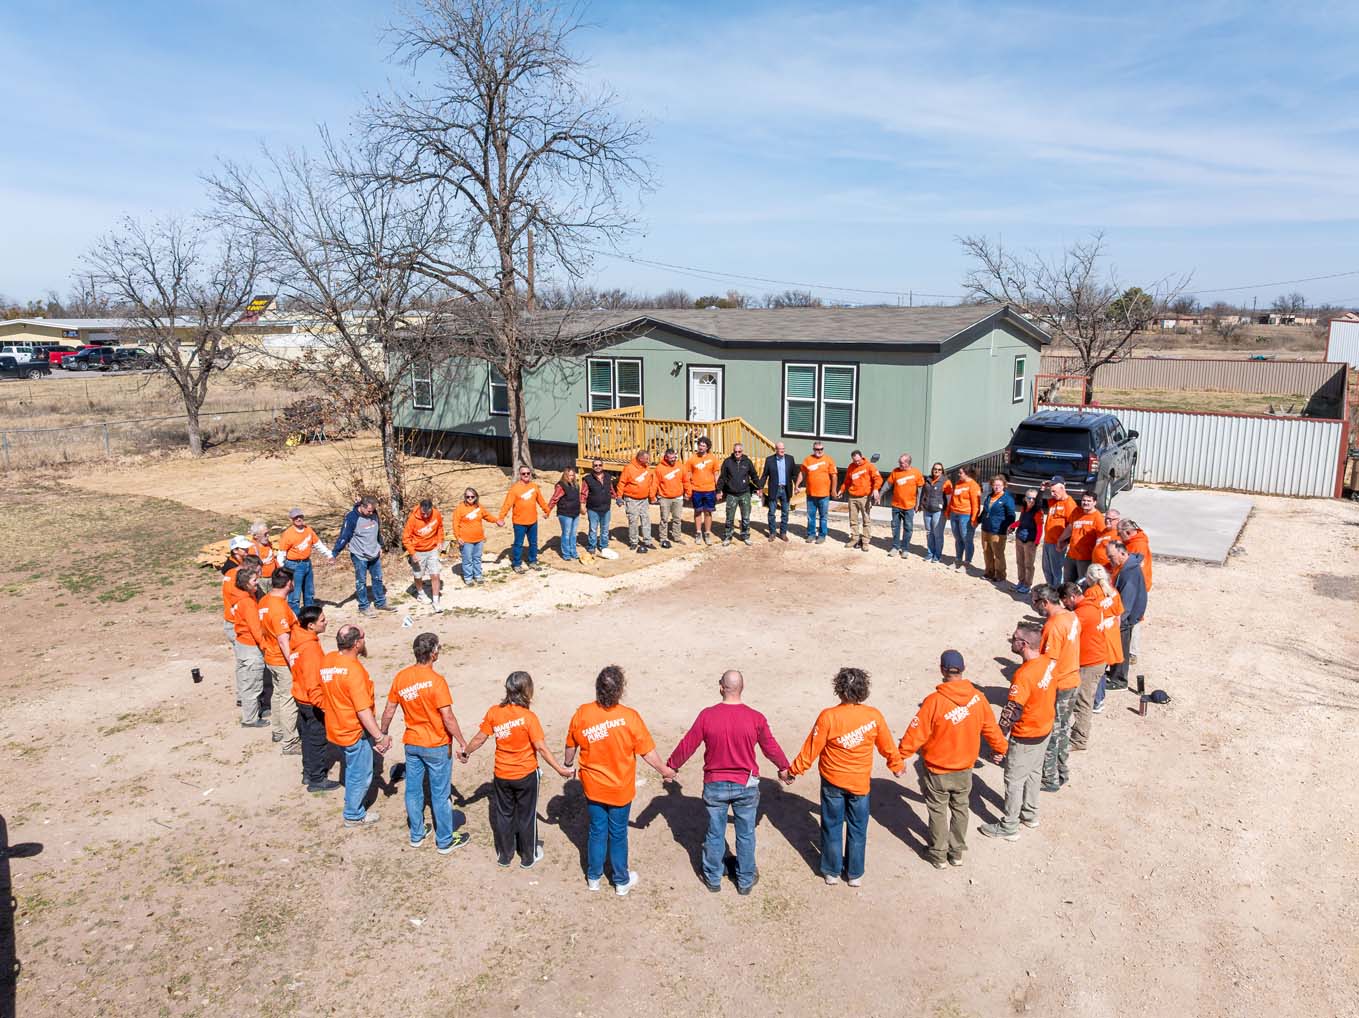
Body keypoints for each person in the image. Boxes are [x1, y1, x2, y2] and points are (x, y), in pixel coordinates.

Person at [665, 670, 792, 894]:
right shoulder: (756, 717)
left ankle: (713, 877)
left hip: (715, 784)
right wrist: (783, 768)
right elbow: (770, 746)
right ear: (742, 688)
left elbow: (689, 744)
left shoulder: (707, 716)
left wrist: (672, 766)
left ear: (721, 687)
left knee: (715, 832)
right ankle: (744, 880)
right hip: (746, 784)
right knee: (745, 833)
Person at [787, 667, 904, 887]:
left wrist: (794, 771)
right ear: (863, 690)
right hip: (860, 784)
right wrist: (896, 765)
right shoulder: (873, 716)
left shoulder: (828, 717)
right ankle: (854, 874)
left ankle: (831, 871)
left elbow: (811, 749)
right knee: (858, 829)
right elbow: (887, 745)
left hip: (832, 781)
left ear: (839, 690)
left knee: (831, 826)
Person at [564, 665, 675, 895]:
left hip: (593, 787)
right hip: (620, 790)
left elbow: (570, 745)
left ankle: (593, 877)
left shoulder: (582, 713)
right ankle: (621, 881)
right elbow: (647, 752)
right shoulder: (630, 718)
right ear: (620, 691)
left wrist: (567, 763)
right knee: (618, 834)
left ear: (597, 688)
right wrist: (664, 770)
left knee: (596, 831)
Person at [898, 650, 1008, 868]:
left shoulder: (933, 702)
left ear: (942, 670)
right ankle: (956, 852)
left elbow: (915, 734)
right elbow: (991, 729)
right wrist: (1001, 748)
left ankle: (938, 854)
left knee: (938, 809)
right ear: (963, 669)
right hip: (965, 769)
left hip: (938, 769)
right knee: (960, 808)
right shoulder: (978, 699)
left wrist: (899, 758)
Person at [462, 671, 573, 869]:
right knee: (526, 815)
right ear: (527, 691)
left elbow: (480, 738)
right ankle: (528, 856)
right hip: (525, 775)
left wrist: (466, 752)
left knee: (504, 815)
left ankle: (505, 855)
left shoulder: (494, 712)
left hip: (502, 775)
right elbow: (540, 748)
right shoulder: (529, 718)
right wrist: (560, 769)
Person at [378, 632, 471, 854]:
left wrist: (382, 733)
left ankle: (417, 834)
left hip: (412, 743)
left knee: (412, 789)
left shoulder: (401, 677)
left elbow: (390, 709)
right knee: (440, 794)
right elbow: (447, 716)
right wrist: (461, 742)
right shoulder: (437, 682)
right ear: (434, 653)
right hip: (436, 744)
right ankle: (445, 840)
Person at [978, 626, 1056, 843]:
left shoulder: (1023, 675)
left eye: (1014, 639)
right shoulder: (1048, 662)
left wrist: (998, 738)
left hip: (1026, 734)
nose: (1011, 641)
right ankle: (1030, 814)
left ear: (1024, 645)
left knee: (1013, 780)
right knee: (1033, 773)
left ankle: (1009, 825)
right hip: (1045, 728)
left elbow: (1012, 710)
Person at [318, 624, 392, 828]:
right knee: (360, 773)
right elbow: (362, 710)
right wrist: (379, 736)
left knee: (351, 766)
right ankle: (353, 814)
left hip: (335, 726)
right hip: (354, 730)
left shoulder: (328, 660)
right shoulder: (354, 671)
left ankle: (352, 801)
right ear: (357, 643)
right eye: (363, 637)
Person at [1031, 583, 1080, 792]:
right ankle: (1062, 771)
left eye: (1034, 602)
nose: (1033, 607)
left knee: (1052, 731)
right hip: (1072, 679)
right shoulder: (1072, 616)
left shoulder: (1052, 626)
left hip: (1059, 684)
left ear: (1044, 602)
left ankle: (1049, 778)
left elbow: (1048, 661)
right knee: (1063, 729)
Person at [290, 604, 339, 792]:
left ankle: (308, 773)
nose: (326, 622)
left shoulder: (299, 639)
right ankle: (317, 779)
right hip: (311, 701)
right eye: (322, 620)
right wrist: (325, 705)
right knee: (317, 739)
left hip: (300, 696)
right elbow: (313, 681)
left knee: (308, 739)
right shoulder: (310, 649)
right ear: (311, 625)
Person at [258, 568, 301, 755]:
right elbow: (284, 639)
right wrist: (293, 663)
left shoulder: (265, 601)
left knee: (277, 695)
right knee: (288, 699)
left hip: (270, 656)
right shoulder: (278, 608)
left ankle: (278, 730)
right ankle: (290, 742)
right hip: (282, 660)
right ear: (288, 583)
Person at [1065, 576, 1109, 752]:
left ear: (1071, 597)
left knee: (1083, 701)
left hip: (1090, 662)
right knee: (1085, 699)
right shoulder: (1092, 605)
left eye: (1065, 601)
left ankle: (1079, 740)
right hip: (1097, 659)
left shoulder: (1081, 614)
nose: (1065, 605)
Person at [332, 497, 393, 618]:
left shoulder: (374, 513)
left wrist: (380, 545)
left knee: (378, 578)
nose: (371, 513)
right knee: (361, 581)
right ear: (362, 506)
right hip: (359, 554)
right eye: (369, 511)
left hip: (374, 552)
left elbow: (377, 531)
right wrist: (335, 553)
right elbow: (344, 536)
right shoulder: (352, 517)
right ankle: (364, 606)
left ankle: (380, 603)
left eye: (373, 511)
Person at [227, 562, 269, 729]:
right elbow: (256, 629)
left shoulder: (243, 599)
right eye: (254, 581)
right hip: (251, 648)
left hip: (242, 645)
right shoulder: (249, 604)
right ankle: (250, 719)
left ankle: (249, 714)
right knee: (253, 684)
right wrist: (266, 646)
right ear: (245, 584)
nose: (257, 583)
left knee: (246, 681)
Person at [1106, 541, 1147, 690]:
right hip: (1126, 615)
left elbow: (1126, 602)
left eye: (1112, 557)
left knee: (1122, 648)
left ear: (1123, 554)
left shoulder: (1129, 572)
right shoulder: (1126, 566)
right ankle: (1114, 674)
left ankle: (1119, 680)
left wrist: (1118, 620)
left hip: (1125, 617)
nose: (1110, 561)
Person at [278, 507, 333, 614]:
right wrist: (281, 567)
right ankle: (295, 617)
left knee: (309, 592)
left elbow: (318, 544)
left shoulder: (309, 530)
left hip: (307, 563)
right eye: (296, 517)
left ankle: (309, 615)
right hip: (293, 565)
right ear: (291, 520)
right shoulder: (288, 534)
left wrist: (329, 555)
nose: (299, 519)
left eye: (300, 517)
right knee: (295, 594)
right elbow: (281, 553)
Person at [1085, 563, 1123, 714]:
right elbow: (1119, 616)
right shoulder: (1113, 592)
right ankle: (1099, 698)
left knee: (1096, 672)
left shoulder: (1091, 593)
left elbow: (1087, 615)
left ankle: (1097, 700)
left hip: (1099, 635)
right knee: (1102, 669)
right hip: (1112, 633)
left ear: (1089, 578)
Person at [500, 465, 550, 573]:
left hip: (533, 521)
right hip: (519, 522)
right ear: (519, 475)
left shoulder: (534, 487)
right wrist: (501, 518)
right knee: (518, 544)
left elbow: (540, 500)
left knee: (533, 543)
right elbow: (507, 504)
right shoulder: (515, 489)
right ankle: (517, 564)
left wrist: (546, 510)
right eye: (523, 474)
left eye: (528, 473)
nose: (526, 475)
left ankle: (532, 561)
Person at [1117, 519, 1154, 664]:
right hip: (1134, 585)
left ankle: (1132, 652)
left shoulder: (1138, 545)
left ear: (1128, 532)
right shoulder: (1131, 542)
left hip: (1138, 587)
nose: (1118, 537)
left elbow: (1138, 569)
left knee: (1134, 618)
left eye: (1120, 534)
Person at [401, 498, 446, 612]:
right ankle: (420, 593)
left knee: (435, 574)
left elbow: (440, 528)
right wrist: (412, 552)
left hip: (432, 549)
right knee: (418, 575)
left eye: (427, 513)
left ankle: (436, 601)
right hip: (418, 551)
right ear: (420, 509)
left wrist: (440, 540)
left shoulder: (436, 514)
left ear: (431, 509)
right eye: (423, 513)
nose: (425, 515)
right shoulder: (413, 519)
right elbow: (406, 538)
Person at [453, 487, 502, 586]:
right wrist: (458, 537)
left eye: (472, 496)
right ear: (465, 497)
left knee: (477, 558)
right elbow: (455, 523)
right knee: (467, 560)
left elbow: (487, 516)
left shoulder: (479, 507)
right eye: (468, 496)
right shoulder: (460, 508)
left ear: (476, 497)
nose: (470, 498)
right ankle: (468, 577)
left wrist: (497, 520)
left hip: (479, 539)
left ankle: (478, 575)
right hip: (466, 540)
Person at [837, 450, 881, 551]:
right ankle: (854, 538)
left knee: (866, 519)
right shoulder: (851, 467)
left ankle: (865, 541)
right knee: (853, 519)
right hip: (852, 497)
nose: (857, 462)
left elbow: (878, 479)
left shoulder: (869, 466)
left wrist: (875, 489)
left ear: (861, 457)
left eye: (858, 460)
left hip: (864, 497)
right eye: (854, 461)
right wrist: (842, 490)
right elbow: (847, 481)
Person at [717, 442, 760, 545]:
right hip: (731, 494)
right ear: (733, 451)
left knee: (745, 517)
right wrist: (719, 490)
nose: (737, 453)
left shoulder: (747, 462)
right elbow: (722, 478)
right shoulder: (727, 462)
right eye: (735, 451)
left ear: (742, 451)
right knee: (729, 518)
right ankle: (728, 536)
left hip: (745, 493)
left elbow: (754, 475)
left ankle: (745, 535)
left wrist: (759, 487)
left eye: (739, 451)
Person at [615, 450, 657, 554]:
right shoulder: (629, 468)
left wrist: (652, 497)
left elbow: (650, 484)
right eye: (646, 459)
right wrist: (619, 496)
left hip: (644, 499)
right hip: (632, 499)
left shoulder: (647, 469)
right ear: (640, 458)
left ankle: (647, 541)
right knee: (633, 520)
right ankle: (633, 541)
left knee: (646, 519)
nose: (648, 461)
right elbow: (622, 483)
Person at [883, 453, 924, 558]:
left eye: (901, 463)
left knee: (908, 528)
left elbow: (920, 489)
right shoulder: (896, 471)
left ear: (907, 463)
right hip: (896, 505)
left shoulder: (916, 473)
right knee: (895, 527)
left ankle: (905, 549)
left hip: (909, 507)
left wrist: (918, 504)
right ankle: (895, 547)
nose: (899, 464)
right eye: (899, 462)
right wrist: (880, 493)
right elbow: (888, 484)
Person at [978, 475, 1017, 583]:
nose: (996, 487)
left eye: (999, 485)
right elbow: (985, 512)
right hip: (986, 528)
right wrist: (978, 520)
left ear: (1004, 486)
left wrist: (1010, 527)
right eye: (994, 485)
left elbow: (1011, 515)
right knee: (987, 552)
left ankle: (1000, 574)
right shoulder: (989, 497)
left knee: (998, 553)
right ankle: (989, 572)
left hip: (998, 530)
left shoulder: (1007, 498)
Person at [1039, 479, 1076, 588]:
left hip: (1058, 544)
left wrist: (1064, 541)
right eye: (1051, 491)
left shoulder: (1069, 503)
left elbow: (1073, 525)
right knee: (1046, 568)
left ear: (1063, 488)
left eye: (1054, 491)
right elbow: (1038, 503)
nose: (1052, 494)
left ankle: (1058, 594)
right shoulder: (1054, 501)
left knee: (1057, 571)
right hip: (1047, 541)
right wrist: (1042, 490)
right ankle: (1051, 591)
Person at [798, 442, 838, 544]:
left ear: (823, 449)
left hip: (824, 495)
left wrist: (833, 490)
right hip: (811, 494)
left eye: (821, 449)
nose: (819, 451)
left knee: (823, 517)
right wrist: (797, 485)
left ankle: (821, 535)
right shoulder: (808, 460)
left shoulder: (828, 460)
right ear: (813, 449)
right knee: (810, 516)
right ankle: (811, 534)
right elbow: (802, 473)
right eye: (816, 449)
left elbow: (834, 476)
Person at [683, 437, 720, 546]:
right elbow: (688, 475)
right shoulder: (692, 459)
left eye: (703, 445)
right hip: (696, 489)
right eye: (699, 445)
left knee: (708, 512)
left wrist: (719, 490)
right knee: (698, 511)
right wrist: (687, 490)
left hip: (710, 489)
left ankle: (707, 533)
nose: (701, 447)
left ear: (707, 447)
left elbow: (716, 474)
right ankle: (698, 532)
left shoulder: (713, 458)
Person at [944, 466, 982, 570]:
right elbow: (952, 499)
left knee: (967, 539)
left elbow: (976, 504)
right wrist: (948, 511)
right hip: (954, 514)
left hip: (966, 515)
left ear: (967, 474)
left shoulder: (974, 486)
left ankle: (967, 562)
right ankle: (958, 560)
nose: (958, 474)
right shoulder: (958, 484)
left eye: (960, 473)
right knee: (958, 538)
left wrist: (974, 518)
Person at [1061, 491, 1104, 582]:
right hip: (1071, 555)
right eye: (1084, 500)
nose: (1085, 503)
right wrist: (1061, 539)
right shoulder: (1077, 511)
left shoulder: (1098, 518)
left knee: (1083, 583)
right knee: (1067, 583)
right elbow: (1070, 527)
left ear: (1095, 502)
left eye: (1089, 501)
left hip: (1086, 559)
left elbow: (1101, 539)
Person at [759, 441, 798, 542]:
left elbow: (794, 474)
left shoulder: (790, 459)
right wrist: (760, 488)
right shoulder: (769, 460)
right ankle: (772, 533)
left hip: (786, 489)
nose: (782, 450)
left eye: (783, 449)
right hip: (774, 489)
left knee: (785, 512)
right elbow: (764, 475)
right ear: (775, 449)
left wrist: (797, 486)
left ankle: (783, 533)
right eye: (780, 449)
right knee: (772, 512)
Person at [220, 537, 254, 645]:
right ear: (235, 550)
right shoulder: (231, 569)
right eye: (244, 549)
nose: (247, 551)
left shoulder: (239, 564)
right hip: (235, 618)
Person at [582, 459, 617, 556]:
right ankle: (591, 546)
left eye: (600, 465)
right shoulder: (587, 479)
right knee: (593, 529)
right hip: (593, 509)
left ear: (603, 466)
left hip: (606, 508)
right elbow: (583, 493)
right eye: (595, 465)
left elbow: (611, 490)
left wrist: (617, 498)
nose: (598, 467)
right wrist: (582, 505)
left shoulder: (608, 477)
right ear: (592, 467)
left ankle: (603, 546)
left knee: (605, 529)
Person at [653, 449, 686, 548]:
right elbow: (655, 483)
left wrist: (688, 492)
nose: (673, 460)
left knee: (677, 519)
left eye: (674, 458)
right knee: (664, 519)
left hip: (678, 497)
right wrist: (652, 496)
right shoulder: (659, 468)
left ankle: (677, 537)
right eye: (671, 458)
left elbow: (685, 481)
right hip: (664, 498)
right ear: (666, 457)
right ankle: (663, 538)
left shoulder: (680, 466)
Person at [548, 466, 583, 561]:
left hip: (575, 513)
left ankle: (574, 552)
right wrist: (548, 510)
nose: (571, 477)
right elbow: (554, 498)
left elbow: (577, 499)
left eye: (572, 475)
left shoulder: (576, 485)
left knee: (573, 534)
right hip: (565, 513)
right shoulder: (561, 485)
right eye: (569, 475)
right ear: (565, 475)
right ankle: (566, 554)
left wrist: (581, 509)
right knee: (566, 534)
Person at [1012, 488, 1043, 593]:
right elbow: (1021, 521)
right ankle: (1021, 581)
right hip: (1020, 538)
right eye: (1029, 498)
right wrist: (1011, 526)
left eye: (1034, 498)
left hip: (1030, 541)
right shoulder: (1024, 508)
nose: (1031, 500)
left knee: (1028, 564)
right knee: (1019, 562)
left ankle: (1027, 585)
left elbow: (1039, 528)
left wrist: (1037, 542)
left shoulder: (1038, 512)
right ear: (1025, 499)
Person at [920, 462, 948, 563]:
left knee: (937, 533)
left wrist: (948, 511)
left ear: (942, 471)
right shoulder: (928, 479)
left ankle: (937, 555)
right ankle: (930, 553)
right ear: (932, 469)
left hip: (939, 511)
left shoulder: (945, 481)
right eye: (935, 469)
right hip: (927, 510)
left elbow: (949, 497)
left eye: (939, 469)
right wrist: (920, 504)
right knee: (929, 532)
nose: (937, 471)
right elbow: (923, 492)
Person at [1090, 508, 1121, 572]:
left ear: (1117, 520)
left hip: (1108, 570)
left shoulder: (1118, 534)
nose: (1107, 521)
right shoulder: (1103, 531)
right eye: (1106, 518)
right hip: (1097, 568)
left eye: (1110, 519)